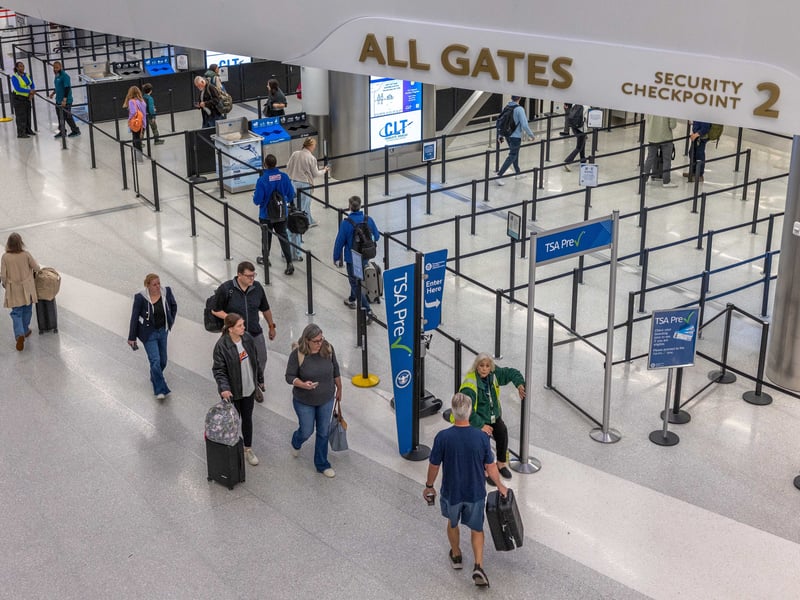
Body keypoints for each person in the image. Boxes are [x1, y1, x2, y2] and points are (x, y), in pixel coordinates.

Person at [424, 392, 507, 588]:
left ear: (453, 412)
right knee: (477, 529)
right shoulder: (481, 437)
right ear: (470, 412)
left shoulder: (443, 437)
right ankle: (478, 566)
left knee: (452, 523)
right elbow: (491, 467)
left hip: (452, 492)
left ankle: (456, 555)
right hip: (475, 493)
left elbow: (434, 465)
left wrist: (429, 486)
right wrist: (501, 486)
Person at [210, 260, 276, 401]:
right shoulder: (226, 289)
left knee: (261, 358)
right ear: (239, 275)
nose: (252, 279)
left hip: (254, 331)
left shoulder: (257, 288)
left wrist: (271, 326)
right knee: (237, 362)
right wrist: (231, 320)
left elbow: (265, 308)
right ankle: (238, 386)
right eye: (248, 276)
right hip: (234, 335)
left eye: (253, 275)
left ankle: (255, 383)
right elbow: (215, 310)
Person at [285, 323, 342, 478]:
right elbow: (289, 377)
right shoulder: (298, 354)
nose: (320, 343)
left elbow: (335, 369)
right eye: (316, 341)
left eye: (321, 339)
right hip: (304, 401)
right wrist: (303, 384)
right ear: (307, 340)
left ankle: (322, 464)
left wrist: (339, 388)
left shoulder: (328, 349)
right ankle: (296, 441)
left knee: (323, 432)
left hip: (326, 398)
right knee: (307, 430)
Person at [459, 352, 525, 483]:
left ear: (491, 367)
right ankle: (485, 469)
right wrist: (481, 425)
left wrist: (519, 384)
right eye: (481, 366)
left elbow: (511, 373)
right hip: (477, 419)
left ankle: (501, 463)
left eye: (487, 366)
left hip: (493, 416)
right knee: (483, 441)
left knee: (502, 432)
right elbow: (466, 410)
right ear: (476, 366)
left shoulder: (493, 374)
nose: (484, 369)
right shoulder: (470, 385)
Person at [213, 313, 264, 467]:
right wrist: (224, 388)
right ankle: (232, 449)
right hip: (233, 392)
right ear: (230, 329)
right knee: (233, 422)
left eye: (243, 324)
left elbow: (255, 360)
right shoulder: (222, 346)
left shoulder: (247, 338)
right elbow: (219, 370)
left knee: (247, 419)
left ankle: (248, 448)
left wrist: (260, 379)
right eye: (240, 326)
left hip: (249, 388)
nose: (243, 328)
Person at [127, 273, 177, 399]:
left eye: (159, 283)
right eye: (154, 284)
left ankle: (154, 375)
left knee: (163, 360)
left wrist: (170, 320)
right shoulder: (140, 298)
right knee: (155, 360)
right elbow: (134, 317)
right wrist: (132, 337)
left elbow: (173, 306)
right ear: (147, 285)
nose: (158, 286)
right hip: (148, 333)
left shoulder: (166, 292)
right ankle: (160, 389)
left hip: (163, 331)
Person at [332, 195, 380, 318]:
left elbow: (339, 242)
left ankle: (368, 311)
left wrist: (336, 257)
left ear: (349, 207)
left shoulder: (346, 223)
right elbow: (377, 236)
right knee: (357, 279)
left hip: (352, 258)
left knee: (354, 283)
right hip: (365, 255)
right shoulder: (368, 219)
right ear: (360, 206)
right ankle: (352, 299)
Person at [253, 153, 296, 275]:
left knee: (266, 238)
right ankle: (289, 263)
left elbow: (257, 200)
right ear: (276, 163)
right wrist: (283, 201)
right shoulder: (284, 177)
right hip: (282, 214)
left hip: (266, 215)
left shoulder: (262, 180)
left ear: (265, 165)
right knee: (283, 237)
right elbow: (291, 194)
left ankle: (265, 259)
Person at [1, 233, 39, 351]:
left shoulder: (5, 257)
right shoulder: (26, 255)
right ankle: (25, 330)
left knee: (16, 312)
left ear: (8, 244)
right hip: (27, 289)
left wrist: (5, 284)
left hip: (14, 289)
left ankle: (19, 334)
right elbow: (37, 268)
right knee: (27, 310)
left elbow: (3, 275)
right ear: (20, 243)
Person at [286, 137, 329, 233]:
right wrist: (324, 170)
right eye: (314, 145)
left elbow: (288, 166)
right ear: (310, 145)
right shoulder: (311, 158)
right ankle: (302, 222)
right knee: (305, 204)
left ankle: (306, 220)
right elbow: (315, 174)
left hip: (293, 182)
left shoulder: (295, 154)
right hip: (305, 183)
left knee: (295, 203)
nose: (314, 147)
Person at [496, 95, 535, 185]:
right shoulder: (520, 109)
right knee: (513, 155)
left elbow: (501, 122)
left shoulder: (506, 107)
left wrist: (500, 135)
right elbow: (524, 125)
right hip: (515, 136)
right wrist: (531, 135)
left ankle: (518, 172)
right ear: (519, 98)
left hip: (507, 135)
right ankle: (499, 175)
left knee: (515, 153)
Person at [643, 114, 678, 187]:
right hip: (665, 137)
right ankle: (666, 181)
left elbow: (648, 120)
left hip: (652, 136)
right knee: (667, 160)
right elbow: (673, 125)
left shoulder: (652, 106)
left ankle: (644, 179)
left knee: (649, 158)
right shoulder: (671, 108)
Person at [49, 61, 80, 138]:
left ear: (61, 67)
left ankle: (75, 130)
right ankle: (62, 131)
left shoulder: (65, 76)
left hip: (66, 101)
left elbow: (67, 88)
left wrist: (65, 99)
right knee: (60, 116)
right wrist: (53, 93)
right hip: (58, 100)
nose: (55, 69)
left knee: (67, 116)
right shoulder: (57, 76)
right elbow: (58, 87)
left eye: (57, 67)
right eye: (54, 67)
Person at [11, 61, 36, 138]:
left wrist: (32, 92)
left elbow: (32, 84)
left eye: (23, 66)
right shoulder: (14, 77)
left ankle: (28, 130)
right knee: (21, 116)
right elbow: (18, 88)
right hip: (18, 98)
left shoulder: (27, 75)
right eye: (20, 66)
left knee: (28, 114)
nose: (22, 68)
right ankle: (21, 133)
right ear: (17, 68)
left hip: (27, 97)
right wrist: (29, 91)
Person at [123, 86, 147, 161]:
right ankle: (139, 157)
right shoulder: (142, 101)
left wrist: (129, 120)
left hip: (136, 123)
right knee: (138, 140)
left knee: (136, 140)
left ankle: (139, 158)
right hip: (143, 123)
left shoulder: (131, 101)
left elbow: (133, 112)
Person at [563, 103, 587, 171]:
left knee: (582, 142)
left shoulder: (575, 104)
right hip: (581, 129)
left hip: (574, 127)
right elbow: (587, 119)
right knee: (579, 147)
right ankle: (567, 161)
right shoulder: (587, 107)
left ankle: (583, 159)